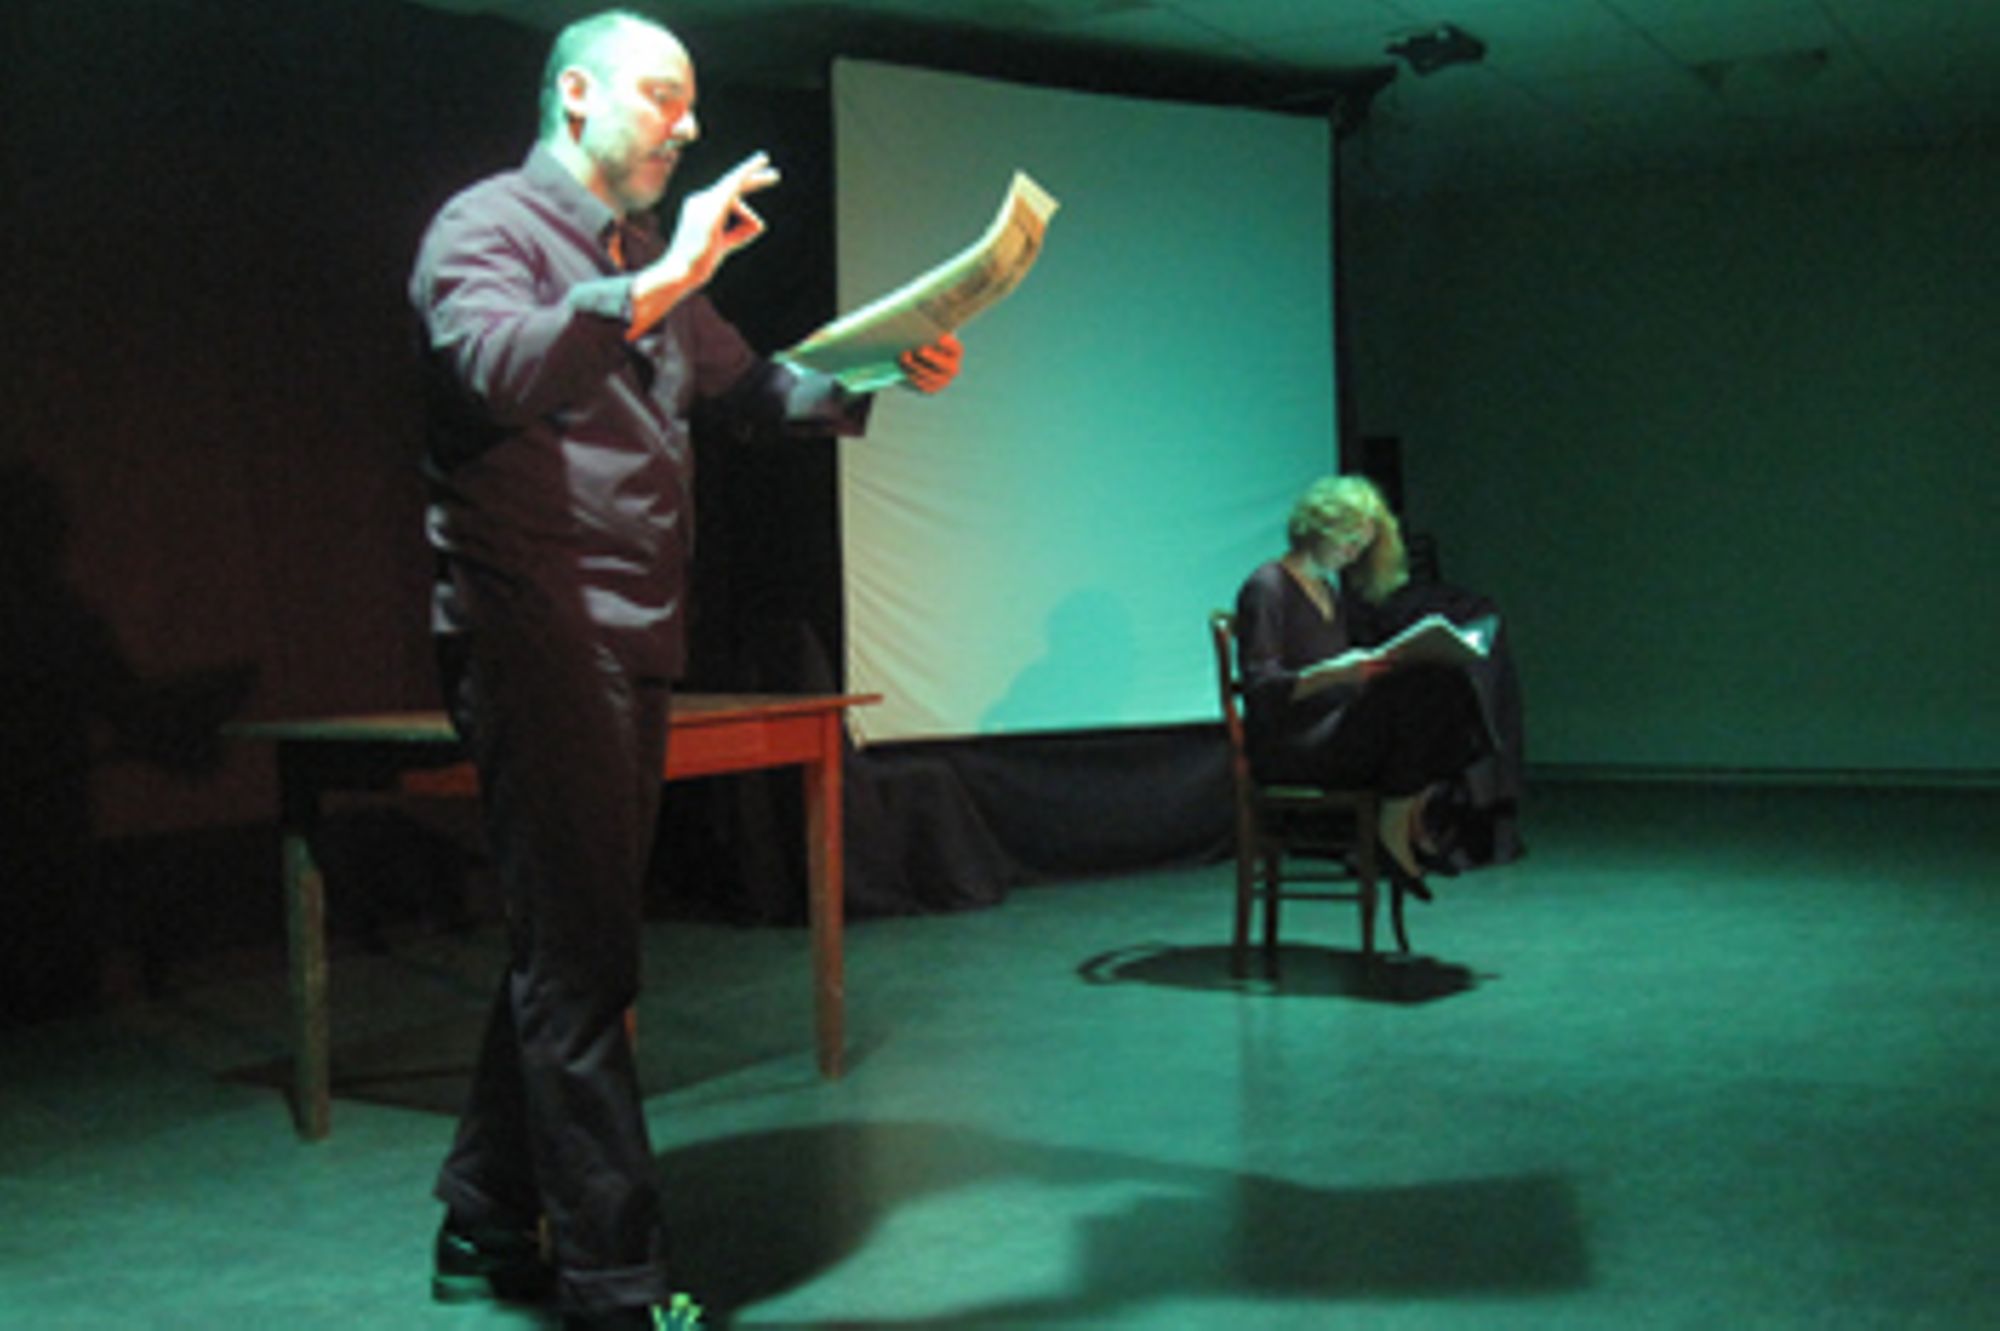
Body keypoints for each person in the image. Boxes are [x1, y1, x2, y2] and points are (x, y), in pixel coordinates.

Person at [407, 11, 963, 1329]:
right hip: (537, 625)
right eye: (664, 96)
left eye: (692, 101)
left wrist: (882, 363)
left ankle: (484, 1213)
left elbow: (749, 390)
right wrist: (666, 276)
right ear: (577, 94)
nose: (689, 124)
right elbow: (498, 367)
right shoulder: (482, 227)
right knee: (584, 961)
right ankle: (615, 1280)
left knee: (572, 936)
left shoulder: (642, 253)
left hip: (633, 626)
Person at [1233, 475, 1490, 901]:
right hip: (1294, 745)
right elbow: (1261, 691)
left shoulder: (1328, 590)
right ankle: (1397, 825)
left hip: (1333, 730)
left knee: (1443, 679)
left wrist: (1368, 671)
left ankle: (1408, 816)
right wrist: (1336, 672)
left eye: (1361, 546)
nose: (1353, 554)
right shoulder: (1268, 586)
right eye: (1348, 541)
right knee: (1416, 689)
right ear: (1319, 526)